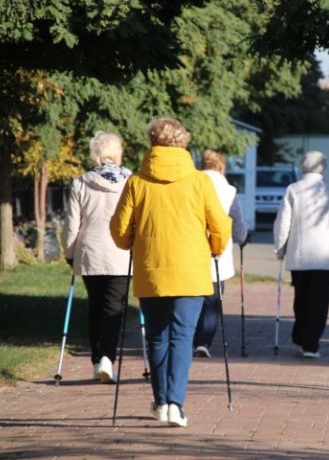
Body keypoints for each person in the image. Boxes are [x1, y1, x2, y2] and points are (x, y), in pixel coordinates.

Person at [110, 118, 232, 427]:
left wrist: (130, 243)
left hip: (152, 270)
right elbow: (219, 225)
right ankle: (176, 404)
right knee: (182, 336)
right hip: (191, 271)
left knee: (157, 337)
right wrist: (216, 247)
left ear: (152, 141)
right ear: (183, 143)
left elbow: (120, 230)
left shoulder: (137, 182)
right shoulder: (199, 181)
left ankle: (161, 402)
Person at [62, 131, 132, 384]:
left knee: (96, 307)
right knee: (114, 307)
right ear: (117, 153)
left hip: (89, 250)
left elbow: (72, 223)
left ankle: (96, 360)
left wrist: (69, 253)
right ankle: (107, 359)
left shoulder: (80, 182)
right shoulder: (131, 181)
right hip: (121, 251)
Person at [273, 151, 329, 358]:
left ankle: (300, 338)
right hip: (324, 257)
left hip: (299, 255)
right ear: (323, 168)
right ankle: (310, 344)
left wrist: (280, 248)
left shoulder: (293, 190)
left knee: (301, 299)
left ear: (303, 167)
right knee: (318, 302)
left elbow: (282, 224)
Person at [193, 149, 248, 359]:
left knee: (192, 297)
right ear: (221, 167)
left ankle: (188, 337)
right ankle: (203, 341)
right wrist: (242, 238)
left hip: (192, 251)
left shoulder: (192, 183)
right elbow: (238, 225)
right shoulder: (229, 191)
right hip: (218, 253)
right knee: (213, 301)